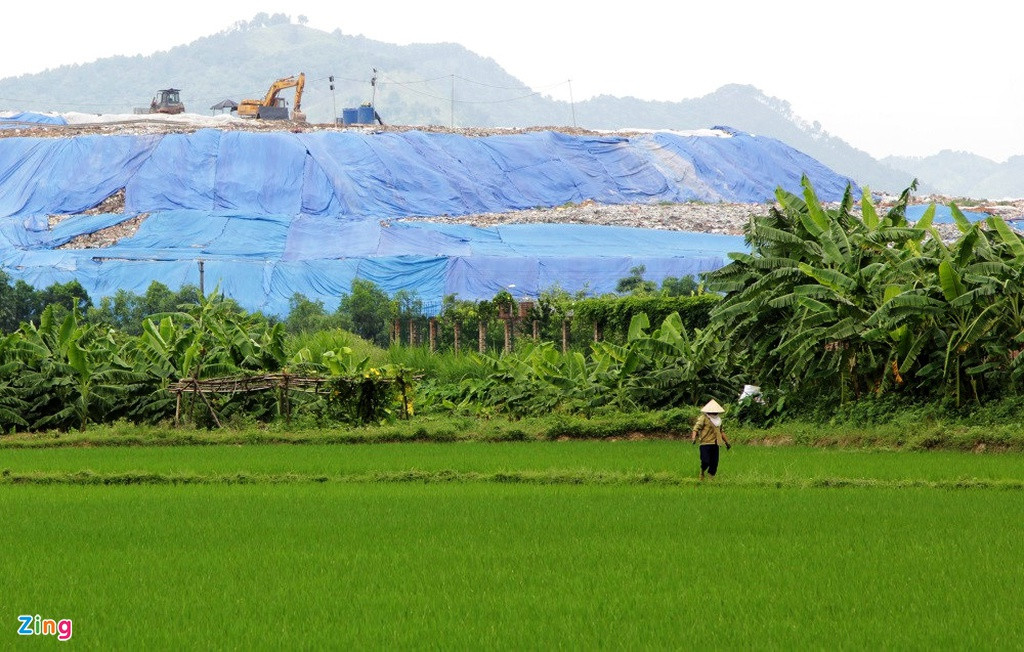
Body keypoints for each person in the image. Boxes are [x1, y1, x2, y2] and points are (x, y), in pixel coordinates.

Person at [690, 399, 731, 480]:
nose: (714, 413)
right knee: (705, 461)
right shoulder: (704, 418)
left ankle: (710, 479)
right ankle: (702, 471)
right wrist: (694, 438)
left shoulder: (718, 420)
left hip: (716, 443)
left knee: (714, 463)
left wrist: (727, 442)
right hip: (705, 443)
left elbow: (721, 432)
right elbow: (696, 428)